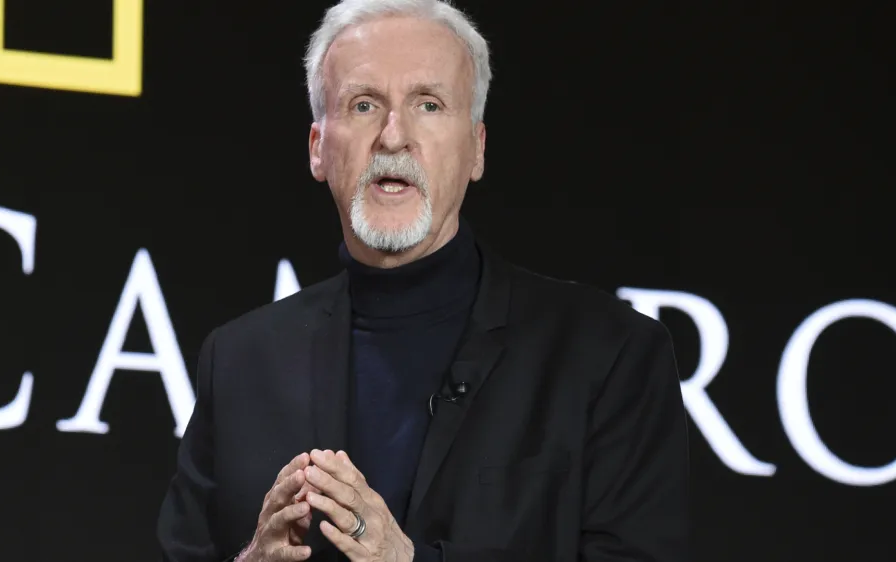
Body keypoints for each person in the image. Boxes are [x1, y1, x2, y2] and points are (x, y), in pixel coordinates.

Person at [156, 0, 690, 560]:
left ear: (476, 149)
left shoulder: (609, 356)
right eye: (364, 105)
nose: (393, 137)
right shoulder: (239, 362)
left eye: (428, 105)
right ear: (318, 149)